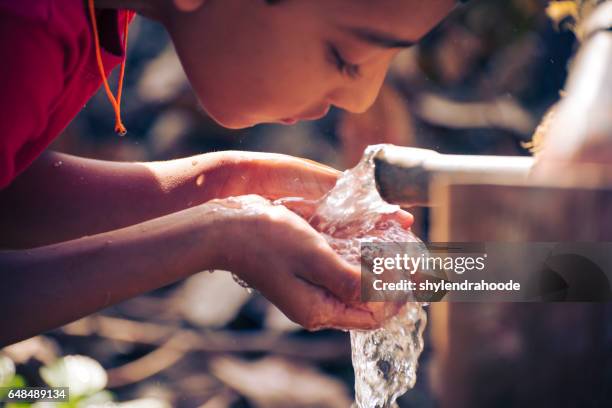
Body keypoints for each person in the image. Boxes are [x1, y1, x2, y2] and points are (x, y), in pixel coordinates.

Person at [0, 0, 457, 346]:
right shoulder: (22, 26)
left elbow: (10, 198)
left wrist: (228, 184)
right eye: (345, 56)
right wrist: (217, 236)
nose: (360, 101)